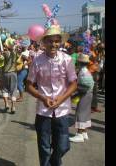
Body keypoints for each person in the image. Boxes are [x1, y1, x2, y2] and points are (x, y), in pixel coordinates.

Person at [26, 25, 78, 166]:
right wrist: (43, 98)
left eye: (56, 41)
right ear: (44, 42)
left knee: (63, 146)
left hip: (62, 111)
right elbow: (29, 85)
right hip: (43, 111)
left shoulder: (67, 59)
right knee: (44, 147)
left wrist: (61, 99)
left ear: (60, 42)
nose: (53, 44)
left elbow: (74, 83)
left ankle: (54, 162)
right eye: (50, 41)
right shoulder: (37, 60)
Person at [69, 54, 94, 143]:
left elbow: (84, 86)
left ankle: (79, 134)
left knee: (80, 113)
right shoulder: (86, 71)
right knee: (86, 113)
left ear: (79, 62)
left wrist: (75, 93)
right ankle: (84, 132)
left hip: (84, 94)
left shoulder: (82, 72)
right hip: (89, 94)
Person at [0, 37, 19, 114]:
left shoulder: (4, 53)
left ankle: (6, 104)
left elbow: (0, 61)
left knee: (4, 89)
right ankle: (13, 107)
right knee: (13, 90)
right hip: (13, 73)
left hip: (5, 73)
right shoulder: (15, 53)